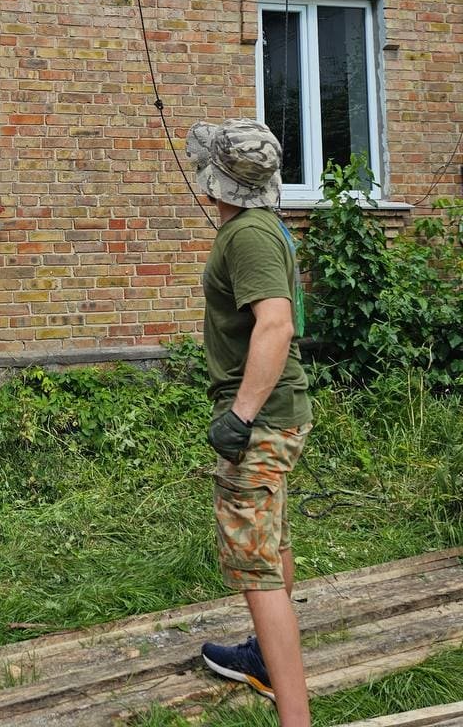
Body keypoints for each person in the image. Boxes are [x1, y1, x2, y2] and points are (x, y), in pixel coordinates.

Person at [185, 119, 312, 727]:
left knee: (255, 568)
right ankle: (263, 657)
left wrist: (240, 416)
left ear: (222, 179)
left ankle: (295, 718)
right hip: (278, 416)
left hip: (260, 421)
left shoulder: (248, 237)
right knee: (273, 544)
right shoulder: (261, 227)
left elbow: (276, 324)